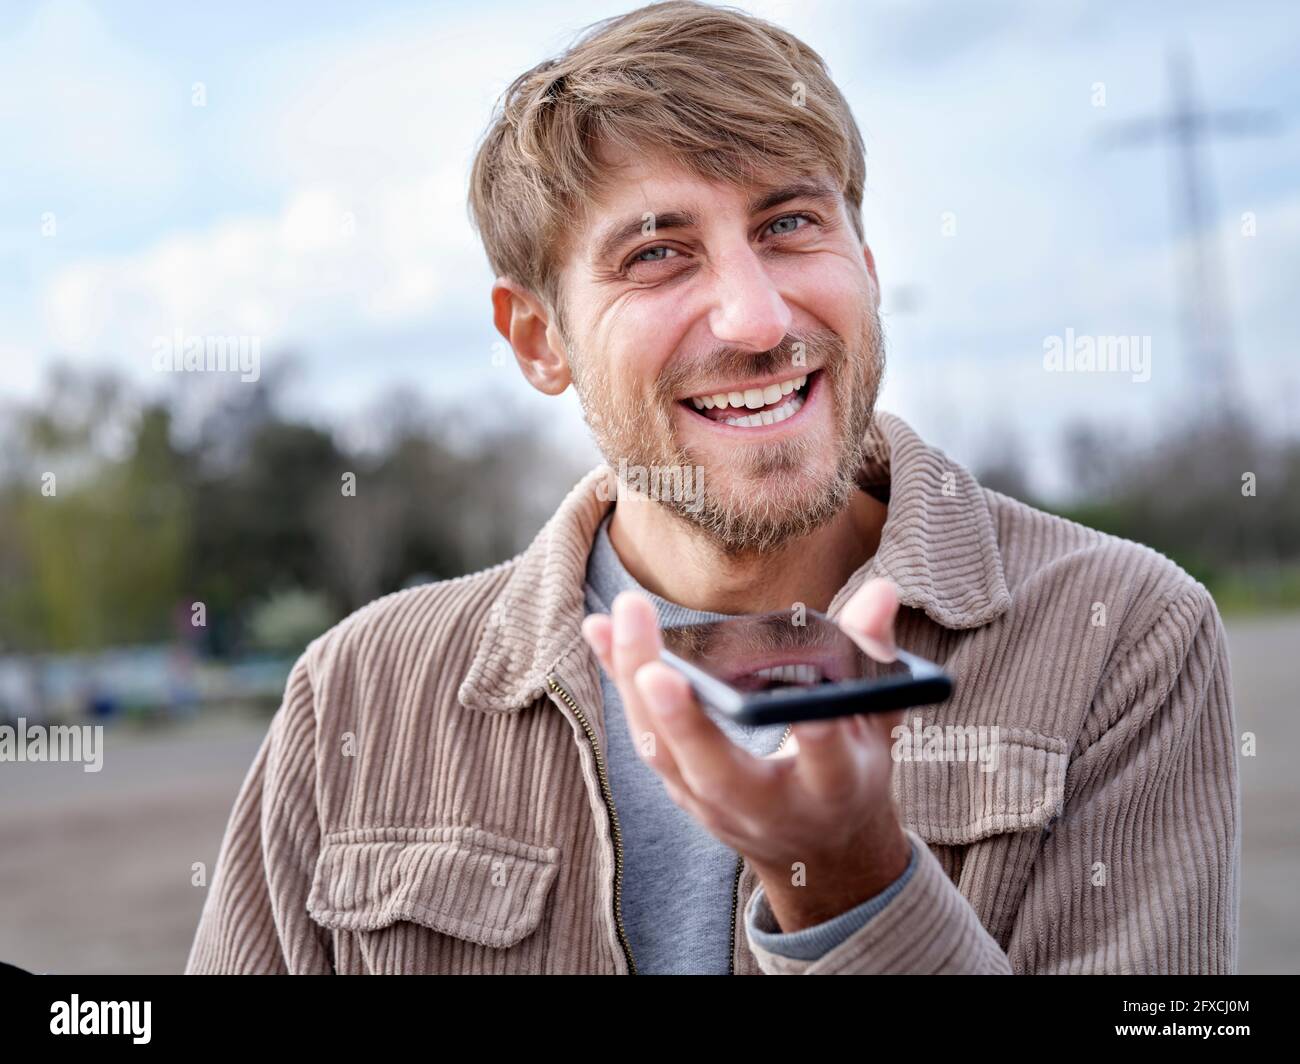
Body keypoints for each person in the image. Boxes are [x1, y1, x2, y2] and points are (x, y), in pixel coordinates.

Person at [186, 0, 1239, 975]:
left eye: (787, 225)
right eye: (657, 254)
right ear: (538, 338)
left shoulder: (1123, 633)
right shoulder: (359, 692)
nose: (756, 318)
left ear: (867, 266)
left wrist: (851, 885)